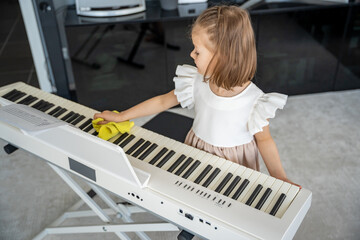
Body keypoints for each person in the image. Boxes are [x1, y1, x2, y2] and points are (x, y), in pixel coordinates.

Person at [94, 5, 296, 185]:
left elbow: (264, 141)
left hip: (235, 164)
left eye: (197, 52)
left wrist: (280, 177)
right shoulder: (196, 81)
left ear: (223, 57)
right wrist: (121, 116)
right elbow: (163, 101)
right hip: (197, 150)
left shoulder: (255, 101)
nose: (191, 54)